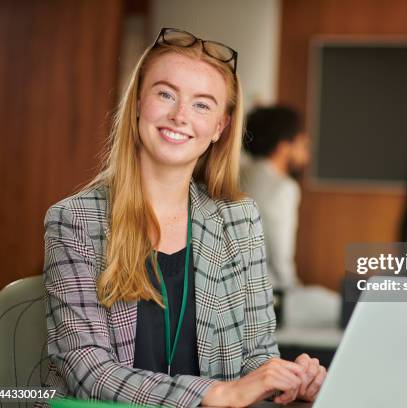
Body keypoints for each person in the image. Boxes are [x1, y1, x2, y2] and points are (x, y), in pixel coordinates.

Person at [40, 28, 325, 408]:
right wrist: (216, 392)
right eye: (166, 94)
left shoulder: (239, 220)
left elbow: (256, 354)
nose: (180, 116)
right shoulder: (75, 220)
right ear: (139, 101)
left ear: (219, 128)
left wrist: (283, 379)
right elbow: (88, 370)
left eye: (202, 105)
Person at [242, 106, 340, 328]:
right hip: (269, 296)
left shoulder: (237, 175)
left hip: (232, 292)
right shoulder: (283, 187)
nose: (308, 151)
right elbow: (280, 257)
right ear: (284, 146)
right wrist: (293, 289)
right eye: (303, 144)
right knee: (343, 307)